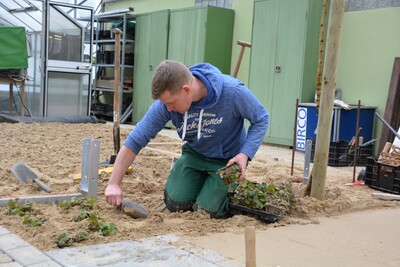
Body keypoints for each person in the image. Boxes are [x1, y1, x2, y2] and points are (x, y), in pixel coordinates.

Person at [105, 60, 269, 218]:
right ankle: (193, 178)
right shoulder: (166, 104)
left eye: (171, 103)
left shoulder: (233, 91)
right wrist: (114, 183)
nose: (168, 108)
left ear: (186, 90)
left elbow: (261, 118)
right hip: (195, 155)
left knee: (207, 212)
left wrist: (245, 154)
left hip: (226, 161)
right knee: (175, 204)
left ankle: (220, 192)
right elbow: (136, 139)